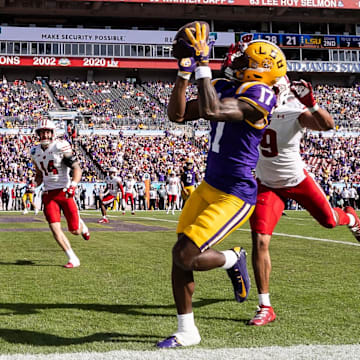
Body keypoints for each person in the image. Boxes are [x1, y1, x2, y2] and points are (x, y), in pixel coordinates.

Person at [156, 23, 287, 348]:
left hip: (235, 194)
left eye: (243, 61)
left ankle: (232, 259)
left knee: (185, 254)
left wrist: (202, 62)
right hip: (208, 185)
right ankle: (187, 331)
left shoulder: (260, 94)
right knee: (179, 257)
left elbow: (214, 110)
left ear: (259, 70)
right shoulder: (223, 84)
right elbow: (179, 114)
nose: (234, 61)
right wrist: (184, 73)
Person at [248, 76, 360, 326]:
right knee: (260, 239)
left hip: (296, 180)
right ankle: (265, 306)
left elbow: (327, 125)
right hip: (267, 185)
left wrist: (311, 104)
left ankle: (351, 218)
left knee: (330, 221)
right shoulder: (249, 104)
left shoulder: (291, 110)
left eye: (270, 86)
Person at [30, 119, 90, 269]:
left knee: (75, 231)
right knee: (54, 228)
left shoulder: (60, 146)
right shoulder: (34, 151)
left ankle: (81, 225)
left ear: (52, 133)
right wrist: (33, 185)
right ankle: (73, 258)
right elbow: (39, 175)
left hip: (64, 191)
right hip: (49, 194)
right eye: (41, 132)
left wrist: (73, 186)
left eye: (47, 131)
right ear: (38, 134)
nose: (44, 134)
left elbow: (77, 168)